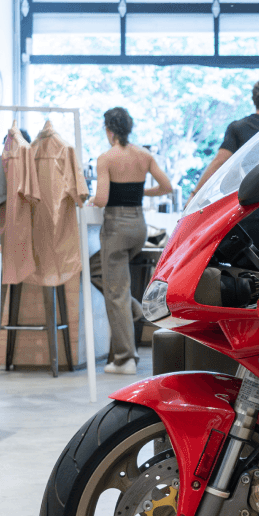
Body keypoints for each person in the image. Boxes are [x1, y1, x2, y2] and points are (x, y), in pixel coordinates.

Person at [91, 107, 173, 375]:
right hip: (139, 226)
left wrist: (90, 199)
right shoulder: (144, 155)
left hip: (116, 226)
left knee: (114, 292)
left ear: (109, 130)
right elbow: (166, 187)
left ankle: (126, 358)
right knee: (99, 272)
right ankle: (135, 310)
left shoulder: (106, 158)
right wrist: (140, 191)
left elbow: (102, 199)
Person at [192, 78, 259, 196]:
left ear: (253, 100)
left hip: (249, 201)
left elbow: (219, 162)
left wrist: (195, 194)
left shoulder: (238, 127)